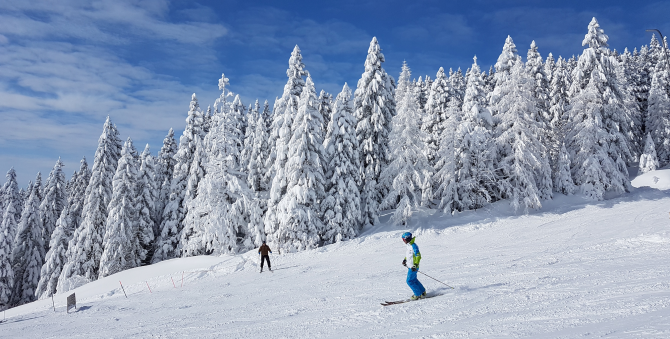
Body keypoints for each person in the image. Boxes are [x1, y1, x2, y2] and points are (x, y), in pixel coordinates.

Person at [401, 232, 426, 300]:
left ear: (407, 238)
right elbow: (409, 255)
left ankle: (417, 294)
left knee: (409, 281)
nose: (403, 241)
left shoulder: (414, 246)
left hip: (413, 267)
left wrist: (415, 265)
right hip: (411, 266)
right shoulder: (409, 245)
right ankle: (422, 291)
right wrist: (405, 260)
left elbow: (418, 255)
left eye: (403, 239)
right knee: (414, 280)